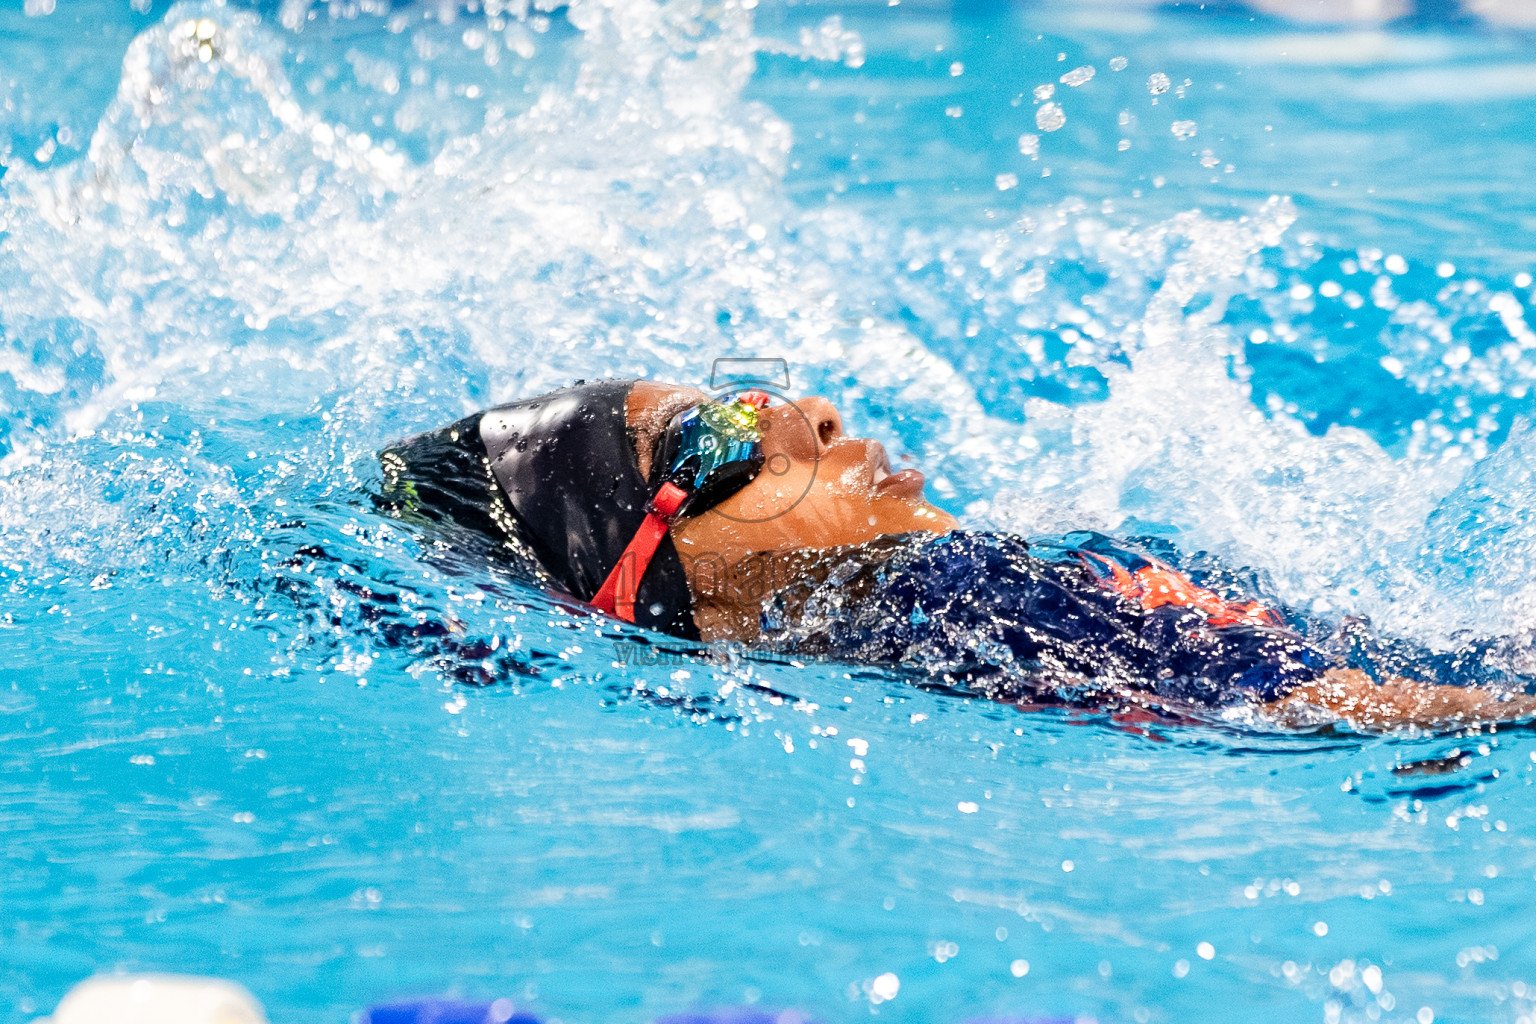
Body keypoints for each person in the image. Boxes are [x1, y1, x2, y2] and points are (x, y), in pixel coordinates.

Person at [378, 378, 1536, 730]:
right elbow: (1345, 702)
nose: (810, 414)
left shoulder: (920, 612)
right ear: (645, 566)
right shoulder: (943, 606)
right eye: (722, 430)